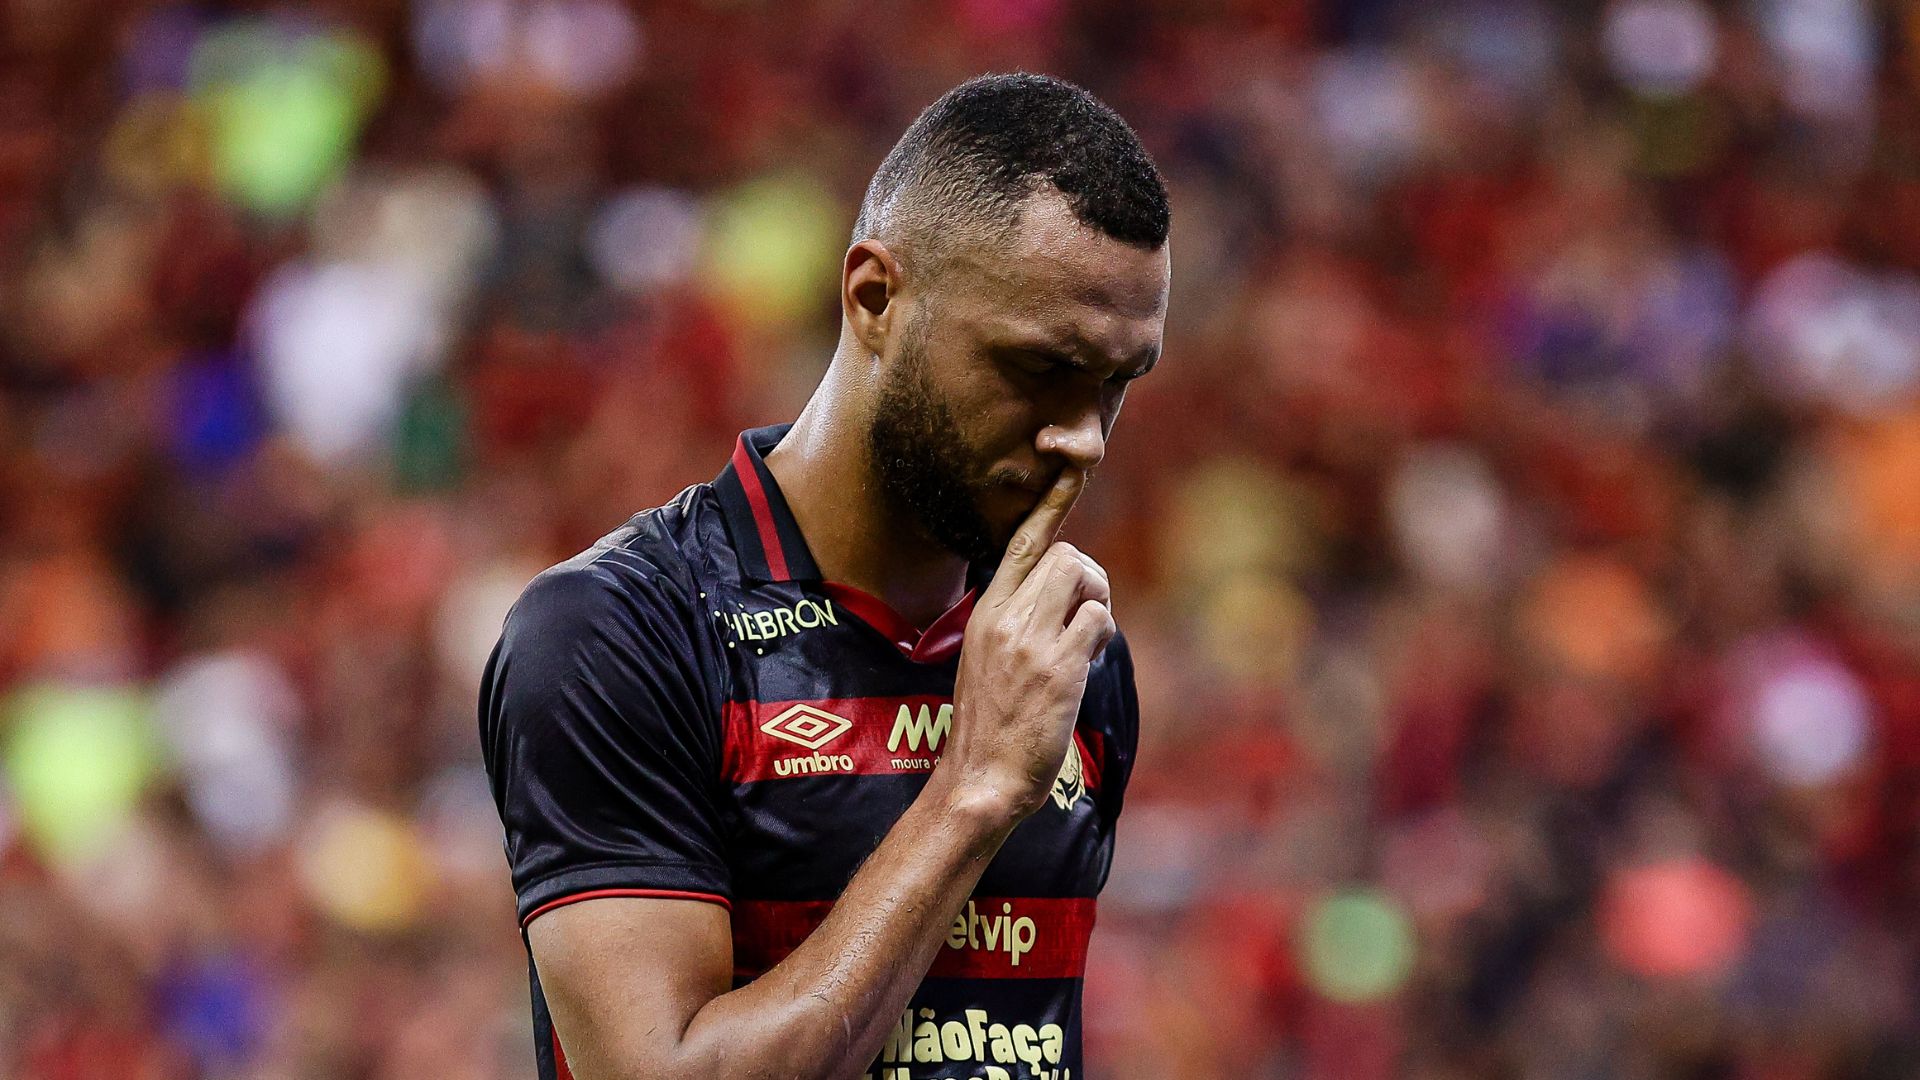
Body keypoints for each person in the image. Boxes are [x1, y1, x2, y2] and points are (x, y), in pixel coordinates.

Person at [479, 72, 1170, 1080]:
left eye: (1116, 383)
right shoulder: (620, 631)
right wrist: (971, 790)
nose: (1081, 438)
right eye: (1037, 368)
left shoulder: (1066, 657)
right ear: (876, 298)